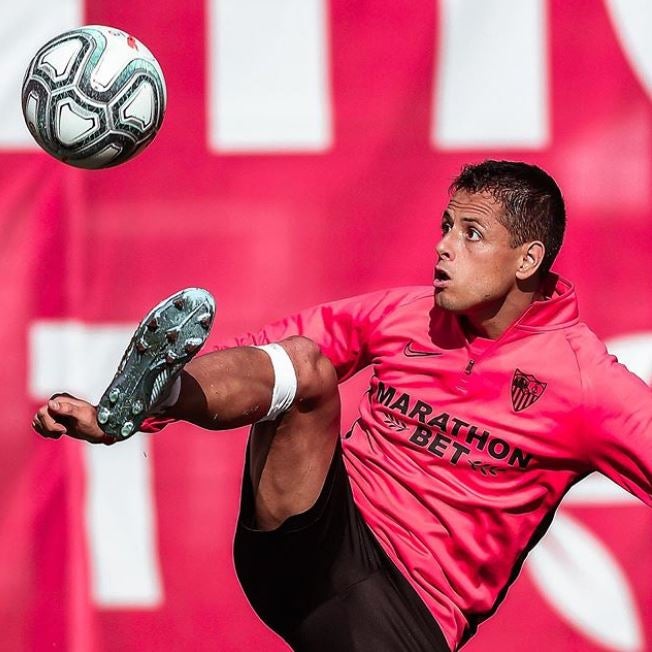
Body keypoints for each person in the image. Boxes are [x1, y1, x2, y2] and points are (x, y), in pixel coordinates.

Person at [32, 160, 652, 652]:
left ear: (528, 260)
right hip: (312, 540)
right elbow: (263, 352)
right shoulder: (410, 313)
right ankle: (151, 391)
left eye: (471, 234)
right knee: (302, 362)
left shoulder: (584, 382)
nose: (442, 247)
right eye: (445, 225)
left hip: (402, 617)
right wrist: (137, 415)